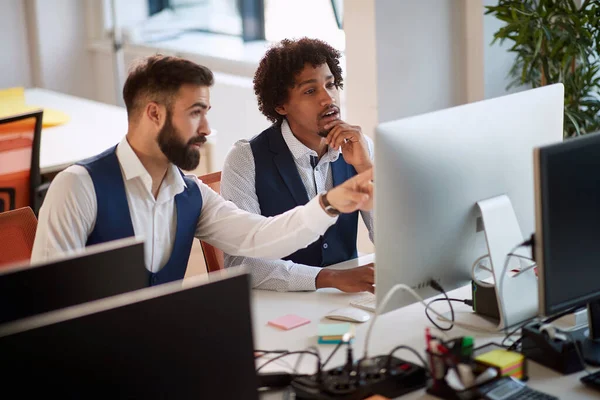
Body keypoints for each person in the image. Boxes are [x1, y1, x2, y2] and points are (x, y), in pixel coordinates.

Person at [31, 55, 374, 286]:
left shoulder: (191, 194)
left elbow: (261, 237)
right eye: (196, 112)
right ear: (154, 114)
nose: (208, 128)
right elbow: (46, 308)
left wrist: (329, 203)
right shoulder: (78, 187)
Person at [221, 38, 375, 293]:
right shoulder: (245, 159)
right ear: (281, 105)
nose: (328, 98)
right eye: (310, 91)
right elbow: (242, 263)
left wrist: (366, 167)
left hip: (345, 302)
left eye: (331, 84)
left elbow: (393, 240)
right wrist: (330, 278)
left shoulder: (360, 147)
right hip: (279, 305)